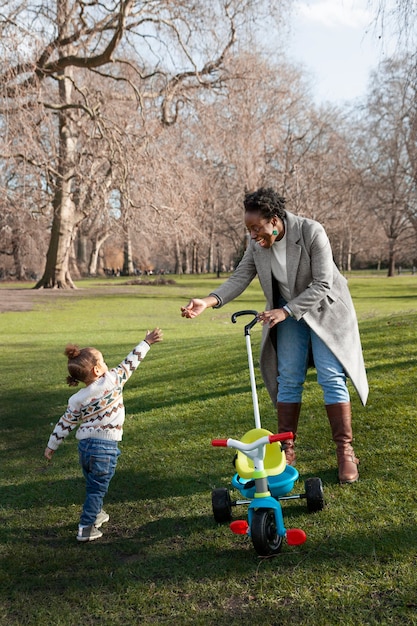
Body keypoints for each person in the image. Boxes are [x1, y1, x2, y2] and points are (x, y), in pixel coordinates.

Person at [181, 187, 368, 484]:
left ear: (275, 219)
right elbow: (241, 276)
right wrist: (208, 301)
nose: (253, 235)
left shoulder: (311, 232)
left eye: (257, 228)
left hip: (326, 311)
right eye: (249, 229)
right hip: (288, 314)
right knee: (288, 378)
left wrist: (286, 311)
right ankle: (286, 449)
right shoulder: (257, 245)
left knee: (331, 377)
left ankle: (345, 451)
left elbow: (323, 283)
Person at [44, 328, 163, 541]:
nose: (108, 365)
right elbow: (131, 362)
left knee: (93, 484)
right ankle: (86, 528)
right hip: (104, 448)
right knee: (97, 489)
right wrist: (146, 342)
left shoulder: (77, 399)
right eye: (104, 361)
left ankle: (96, 513)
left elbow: (65, 423)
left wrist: (51, 446)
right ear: (97, 370)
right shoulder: (113, 380)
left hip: (85, 449)